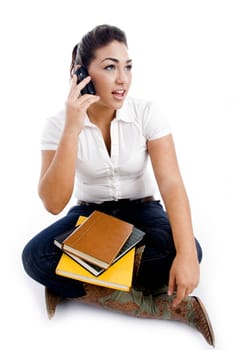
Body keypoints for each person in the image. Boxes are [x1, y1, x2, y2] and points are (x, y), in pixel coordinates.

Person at [22, 24, 214, 346]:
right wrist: (72, 128)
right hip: (90, 218)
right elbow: (54, 203)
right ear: (81, 74)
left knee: (189, 250)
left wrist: (185, 258)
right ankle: (153, 305)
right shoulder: (57, 125)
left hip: (142, 212)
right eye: (110, 67)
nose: (123, 78)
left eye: (127, 66)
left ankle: (78, 278)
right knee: (35, 257)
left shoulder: (146, 113)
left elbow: (171, 183)